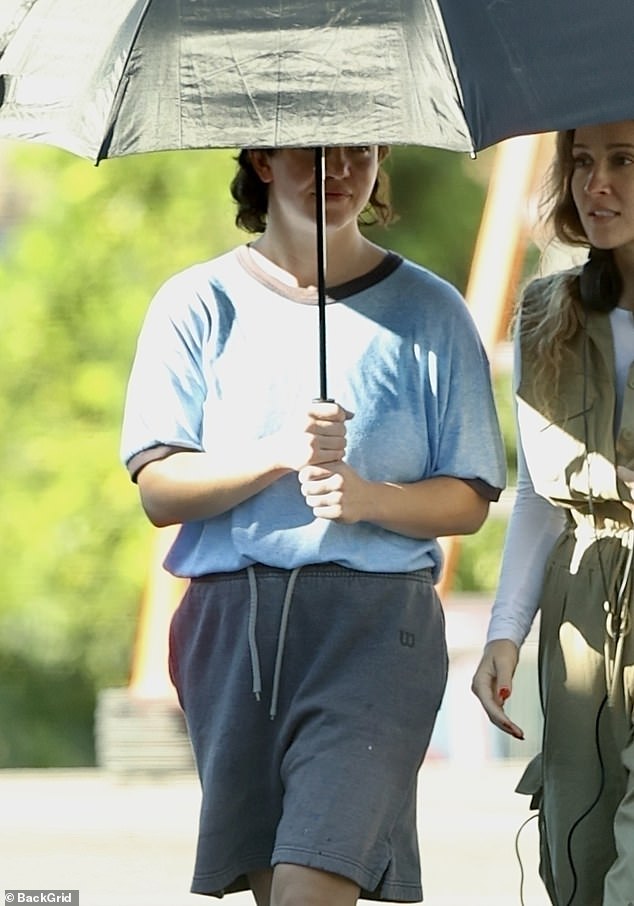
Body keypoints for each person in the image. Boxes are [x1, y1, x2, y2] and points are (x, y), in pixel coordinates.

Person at [121, 145, 506, 906]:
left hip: (377, 632)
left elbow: (470, 495)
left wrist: (368, 499)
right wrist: (274, 454)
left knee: (309, 887)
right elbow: (159, 488)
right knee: (277, 890)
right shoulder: (195, 303)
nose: (336, 170)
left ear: (380, 159)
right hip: (230, 630)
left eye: (357, 151)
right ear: (262, 162)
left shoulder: (433, 311)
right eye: (310, 152)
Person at [472, 119, 634, 906]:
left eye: (624, 161)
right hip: (580, 621)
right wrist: (505, 633)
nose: (596, 183)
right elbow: (538, 490)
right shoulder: (548, 313)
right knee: (582, 848)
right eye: (582, 163)